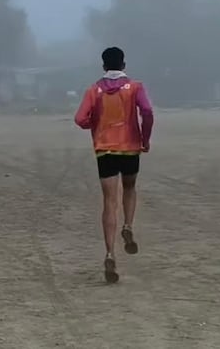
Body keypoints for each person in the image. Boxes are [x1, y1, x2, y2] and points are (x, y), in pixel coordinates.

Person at [74, 47, 154, 283]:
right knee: (129, 188)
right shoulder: (135, 87)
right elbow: (147, 111)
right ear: (124, 65)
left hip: (105, 150)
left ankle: (110, 252)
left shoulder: (94, 90)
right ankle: (128, 225)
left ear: (103, 66)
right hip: (130, 147)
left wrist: (94, 124)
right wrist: (145, 138)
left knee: (109, 202)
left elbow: (80, 118)